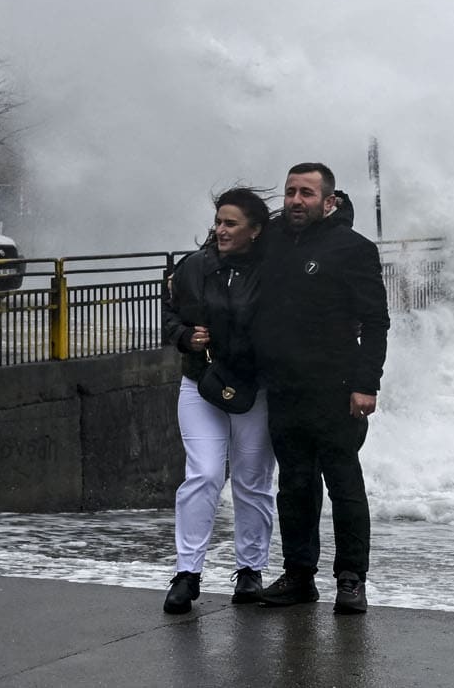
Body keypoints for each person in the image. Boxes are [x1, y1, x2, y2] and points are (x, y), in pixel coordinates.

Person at [255, 162, 390, 614]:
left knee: (344, 485)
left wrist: (366, 384)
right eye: (291, 191)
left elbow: (375, 322)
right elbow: (224, 253)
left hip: (337, 387)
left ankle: (351, 578)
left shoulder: (353, 249)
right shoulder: (272, 240)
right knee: (294, 485)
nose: (296, 200)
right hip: (285, 387)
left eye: (307, 193)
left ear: (328, 201)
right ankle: (299, 575)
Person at [160, 187, 276, 614]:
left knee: (251, 480)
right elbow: (169, 312)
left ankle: (250, 571)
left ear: (256, 230)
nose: (220, 230)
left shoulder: (273, 270)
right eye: (219, 222)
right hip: (201, 383)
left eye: (231, 223)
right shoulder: (193, 268)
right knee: (204, 475)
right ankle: (187, 574)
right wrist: (185, 337)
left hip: (255, 387)